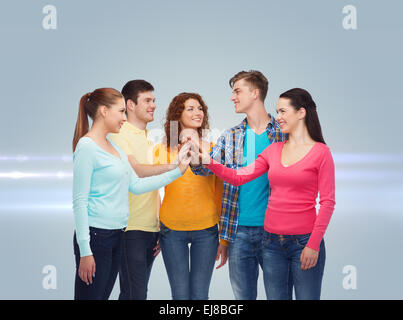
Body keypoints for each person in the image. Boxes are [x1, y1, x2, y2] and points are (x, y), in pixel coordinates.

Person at [197, 88, 336, 300]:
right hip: (271, 244)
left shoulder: (320, 153)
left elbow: (327, 203)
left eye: (282, 111)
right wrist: (208, 161)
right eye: (277, 112)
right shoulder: (273, 150)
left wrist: (313, 244)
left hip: (304, 243)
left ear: (301, 112)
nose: (278, 117)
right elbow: (238, 177)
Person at [72, 87, 191, 300]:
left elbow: (135, 185)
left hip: (117, 234)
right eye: (120, 112)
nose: (123, 119)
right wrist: (85, 250)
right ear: (103, 112)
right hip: (96, 237)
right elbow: (80, 201)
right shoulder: (87, 147)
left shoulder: (114, 148)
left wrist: (178, 171)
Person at [190, 70, 287, 299]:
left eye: (237, 91)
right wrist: (194, 149)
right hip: (238, 232)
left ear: (255, 93)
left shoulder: (284, 134)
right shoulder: (230, 136)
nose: (233, 97)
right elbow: (203, 169)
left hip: (276, 232)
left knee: (279, 295)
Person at [108, 80, 179, 300]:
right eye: (147, 100)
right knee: (134, 294)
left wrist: (158, 224)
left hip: (149, 229)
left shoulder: (149, 138)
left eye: (154, 100)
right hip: (129, 230)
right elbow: (136, 171)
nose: (153, 105)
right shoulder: (119, 135)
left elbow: (154, 188)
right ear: (130, 104)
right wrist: (174, 166)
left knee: (136, 294)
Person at [154, 92, 223, 300]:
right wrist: (155, 226)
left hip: (207, 230)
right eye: (190, 108)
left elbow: (220, 190)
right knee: (180, 296)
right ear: (178, 114)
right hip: (171, 230)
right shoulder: (162, 151)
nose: (197, 112)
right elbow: (151, 190)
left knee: (201, 295)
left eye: (200, 108)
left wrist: (224, 238)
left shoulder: (213, 150)